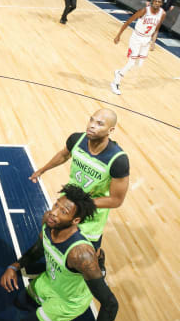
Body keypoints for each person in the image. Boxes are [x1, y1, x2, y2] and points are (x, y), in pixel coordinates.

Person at [29, 109, 129, 277]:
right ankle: (51, 263)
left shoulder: (118, 160)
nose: (91, 126)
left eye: (99, 124)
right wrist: (42, 170)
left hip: (92, 213)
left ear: (111, 130)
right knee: (53, 232)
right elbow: (63, 155)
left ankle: (99, 259)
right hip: (69, 206)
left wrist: (83, 205)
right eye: (91, 120)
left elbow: (116, 200)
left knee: (88, 249)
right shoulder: (77, 139)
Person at [0, 184, 119, 321]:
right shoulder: (48, 220)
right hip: (51, 281)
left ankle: (100, 270)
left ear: (75, 221)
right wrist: (14, 267)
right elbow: (38, 249)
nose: (54, 212)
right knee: (20, 302)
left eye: (63, 211)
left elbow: (111, 304)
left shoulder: (81, 254)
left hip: (67, 301)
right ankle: (99, 269)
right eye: (56, 204)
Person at [110, 0, 166, 95]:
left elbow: (157, 28)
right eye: (156, 1)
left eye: (160, 2)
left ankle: (119, 71)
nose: (157, 3)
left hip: (147, 39)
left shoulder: (162, 13)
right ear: (152, 1)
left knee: (138, 64)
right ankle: (116, 82)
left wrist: (153, 42)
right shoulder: (144, 10)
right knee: (131, 62)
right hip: (137, 37)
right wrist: (118, 35)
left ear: (162, 3)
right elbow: (128, 22)